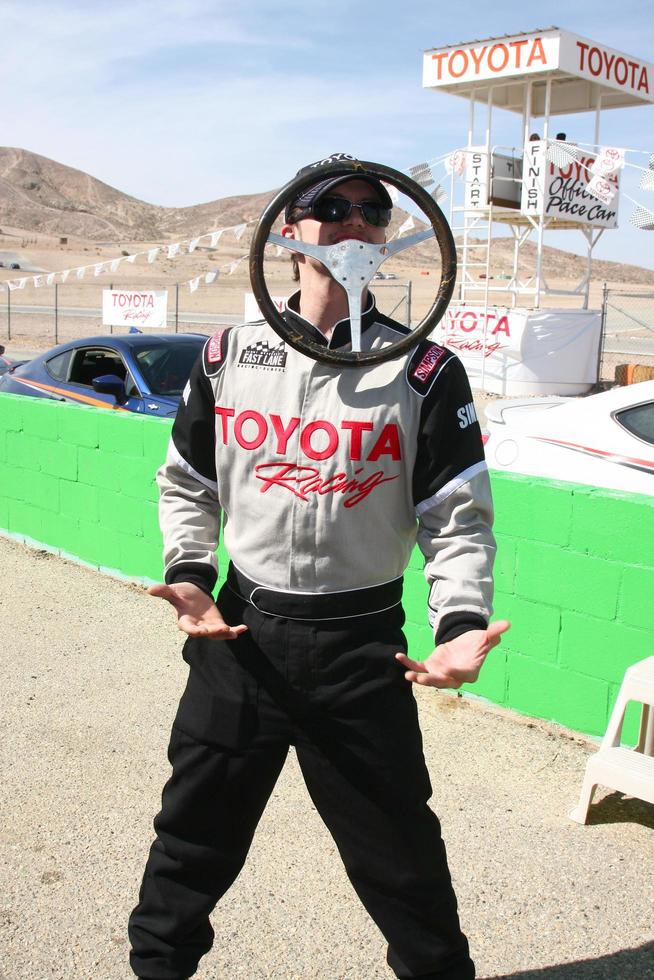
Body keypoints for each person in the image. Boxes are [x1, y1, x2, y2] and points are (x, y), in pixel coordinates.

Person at [128, 152, 509, 980]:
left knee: (406, 869)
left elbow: (458, 521)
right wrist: (190, 573)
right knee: (187, 851)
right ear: (291, 230)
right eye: (330, 207)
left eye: (372, 211)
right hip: (240, 639)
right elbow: (186, 483)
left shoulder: (425, 369)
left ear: (386, 234)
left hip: (362, 650)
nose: (353, 222)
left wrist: (462, 624)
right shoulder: (230, 354)